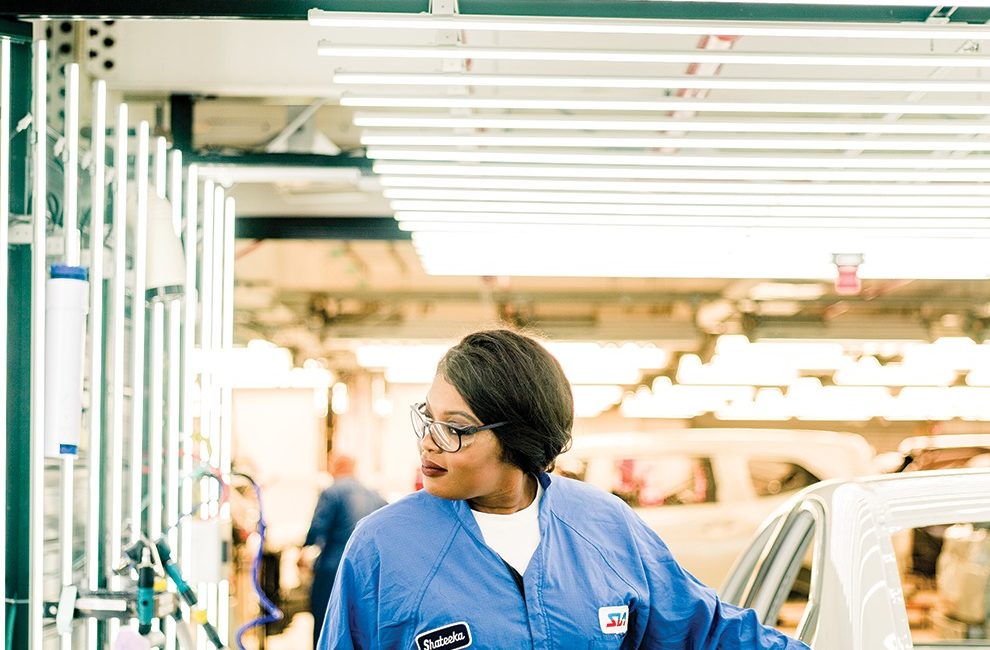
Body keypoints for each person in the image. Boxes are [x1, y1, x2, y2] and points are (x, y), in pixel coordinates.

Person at [319, 329, 810, 649]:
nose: (429, 441)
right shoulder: (385, 545)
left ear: (516, 438)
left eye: (456, 428)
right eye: (429, 418)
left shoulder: (604, 525)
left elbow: (704, 631)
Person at [301, 453, 386, 648]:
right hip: (367, 573)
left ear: (336, 466)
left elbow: (317, 529)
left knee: (327, 622)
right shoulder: (374, 494)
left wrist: (303, 550)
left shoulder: (332, 492)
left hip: (333, 569)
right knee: (359, 625)